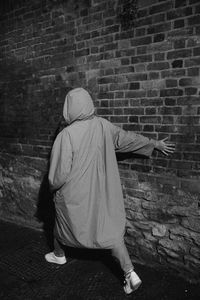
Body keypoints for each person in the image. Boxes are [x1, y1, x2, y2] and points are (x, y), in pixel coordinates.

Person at [45, 87, 175, 294]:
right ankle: (130, 273)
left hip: (75, 194)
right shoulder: (103, 125)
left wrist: (52, 188)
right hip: (101, 192)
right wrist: (154, 143)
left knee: (61, 223)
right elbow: (127, 138)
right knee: (109, 231)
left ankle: (59, 255)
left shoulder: (66, 135)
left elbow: (57, 175)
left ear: (68, 108)